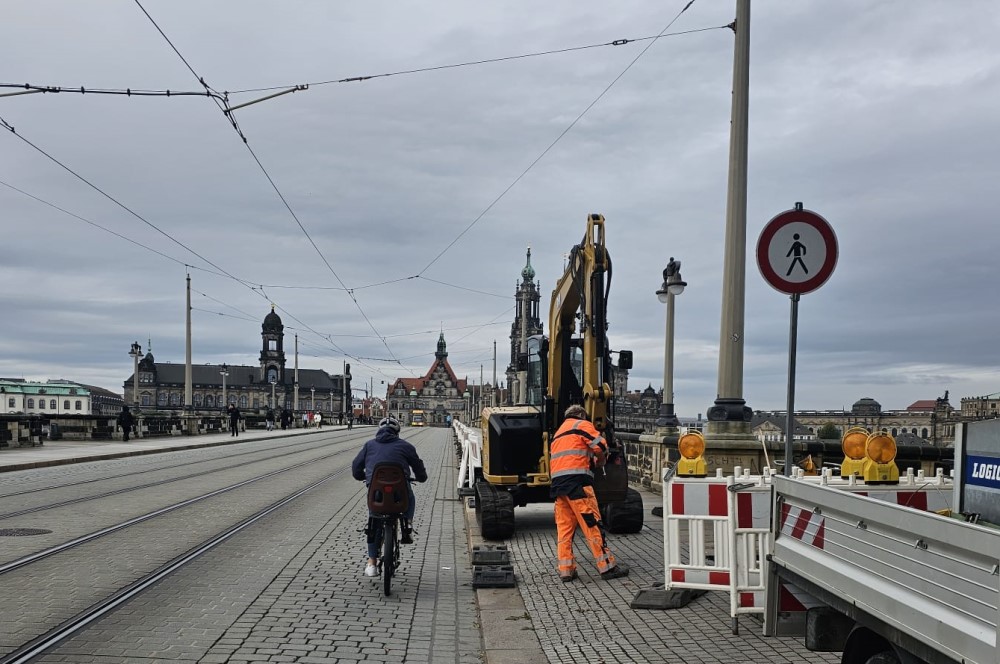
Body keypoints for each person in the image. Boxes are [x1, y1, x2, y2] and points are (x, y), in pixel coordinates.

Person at [549, 404, 629, 582]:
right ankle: (607, 567)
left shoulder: (559, 433)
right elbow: (601, 444)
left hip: (559, 488)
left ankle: (566, 570)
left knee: (564, 530)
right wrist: (600, 461)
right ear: (580, 415)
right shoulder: (580, 424)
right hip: (578, 485)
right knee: (592, 525)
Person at [352, 416, 428, 577]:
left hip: (376, 494)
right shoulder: (406, 446)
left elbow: (355, 468)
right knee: (410, 497)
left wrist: (361, 476)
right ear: (397, 432)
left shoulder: (369, 445)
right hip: (400, 494)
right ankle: (407, 523)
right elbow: (418, 467)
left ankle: (371, 563)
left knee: (373, 525)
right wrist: (421, 477)